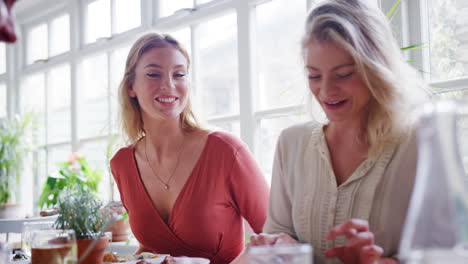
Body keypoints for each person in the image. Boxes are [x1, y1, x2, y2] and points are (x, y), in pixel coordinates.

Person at [248, 0, 428, 263]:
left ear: (377, 69)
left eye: (343, 74)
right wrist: (277, 246)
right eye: (314, 76)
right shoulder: (291, 142)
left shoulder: (419, 145)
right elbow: (278, 234)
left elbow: (450, 253)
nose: (326, 91)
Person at [110, 33, 269, 264]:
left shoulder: (226, 151)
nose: (168, 85)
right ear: (131, 86)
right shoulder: (122, 164)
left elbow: (276, 238)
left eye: (179, 74)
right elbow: (151, 248)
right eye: (154, 74)